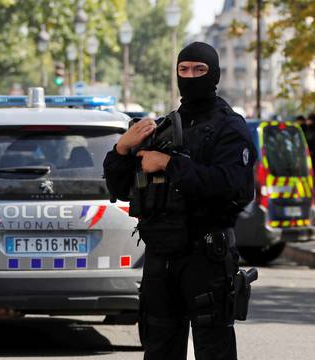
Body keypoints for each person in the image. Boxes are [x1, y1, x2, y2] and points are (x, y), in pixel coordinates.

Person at [103, 42, 256, 360]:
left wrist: (170, 164)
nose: (190, 76)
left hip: (206, 257)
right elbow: (120, 187)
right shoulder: (161, 128)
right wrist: (121, 149)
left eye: (199, 70)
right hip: (161, 256)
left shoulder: (230, 127)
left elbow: (229, 185)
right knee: (159, 347)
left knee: (213, 349)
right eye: (183, 69)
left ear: (214, 74)